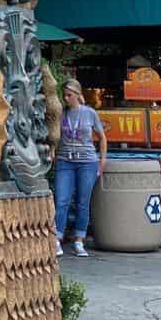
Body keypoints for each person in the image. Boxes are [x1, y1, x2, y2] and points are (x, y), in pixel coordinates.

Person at [53, 78, 107, 258]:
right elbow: (54, 135)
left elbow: (102, 137)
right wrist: (53, 153)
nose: (66, 98)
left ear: (77, 95)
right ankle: (56, 239)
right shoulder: (61, 114)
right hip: (65, 161)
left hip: (87, 162)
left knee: (83, 203)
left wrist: (102, 161)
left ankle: (79, 240)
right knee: (62, 200)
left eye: (69, 95)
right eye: (64, 95)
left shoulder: (89, 113)